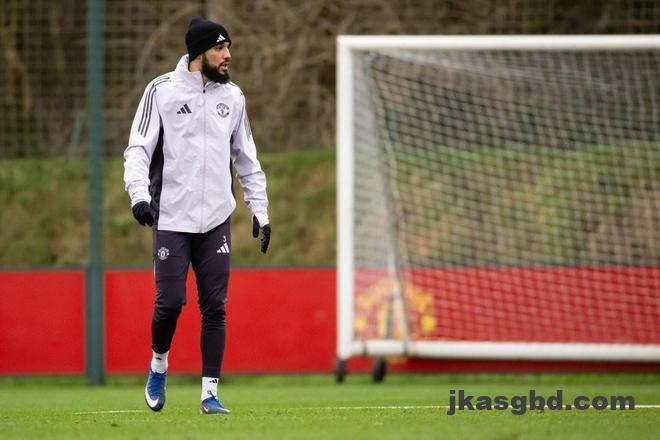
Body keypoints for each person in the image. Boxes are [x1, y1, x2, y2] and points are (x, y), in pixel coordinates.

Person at [123, 17, 271, 415]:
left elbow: (247, 159)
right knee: (170, 304)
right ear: (198, 53)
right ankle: (158, 365)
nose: (227, 55)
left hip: (216, 220)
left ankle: (210, 394)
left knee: (215, 306)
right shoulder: (161, 91)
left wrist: (260, 210)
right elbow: (137, 149)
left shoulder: (233, 97)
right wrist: (139, 195)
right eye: (220, 48)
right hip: (171, 217)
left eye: (228, 48)